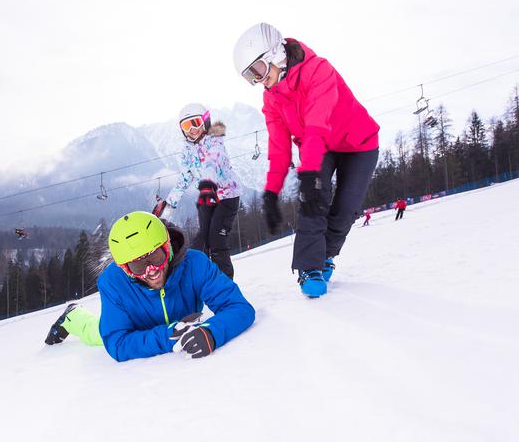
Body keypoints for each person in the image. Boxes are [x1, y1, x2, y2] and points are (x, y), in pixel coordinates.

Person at [233, 22, 380, 298]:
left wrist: (310, 172)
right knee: (313, 199)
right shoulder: (271, 99)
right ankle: (309, 268)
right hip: (319, 146)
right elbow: (278, 148)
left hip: (358, 143)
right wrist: (271, 191)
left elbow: (316, 125)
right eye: (250, 77)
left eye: (259, 71)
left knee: (345, 207)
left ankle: (325, 257)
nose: (259, 81)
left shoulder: (318, 70)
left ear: (275, 54)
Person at [44, 211, 255, 362]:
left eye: (156, 256)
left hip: (169, 322)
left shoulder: (195, 264)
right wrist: (167, 336)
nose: (151, 270)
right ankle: (72, 316)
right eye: (138, 265)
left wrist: (212, 332)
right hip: (136, 326)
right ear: (126, 269)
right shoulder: (113, 283)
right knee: (96, 333)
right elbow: (117, 343)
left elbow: (239, 307)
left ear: (168, 247)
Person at [153, 103, 243, 279]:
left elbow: (212, 163)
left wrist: (207, 184)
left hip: (226, 197)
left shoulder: (215, 142)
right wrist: (169, 203)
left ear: (206, 121)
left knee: (216, 239)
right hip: (206, 199)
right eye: (187, 126)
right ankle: (196, 279)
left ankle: (224, 283)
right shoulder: (187, 149)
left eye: (195, 123)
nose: (192, 129)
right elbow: (186, 177)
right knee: (200, 241)